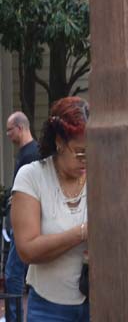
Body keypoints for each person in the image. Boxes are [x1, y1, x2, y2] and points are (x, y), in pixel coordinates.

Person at [11, 97, 89, 321]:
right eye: (80, 151)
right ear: (59, 142)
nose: (86, 159)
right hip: (48, 308)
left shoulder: (99, 175)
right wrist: (82, 232)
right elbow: (27, 249)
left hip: (97, 301)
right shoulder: (32, 177)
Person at [5, 112, 40, 322]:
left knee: (13, 274)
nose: (8, 135)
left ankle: (14, 318)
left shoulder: (31, 155)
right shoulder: (26, 153)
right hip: (21, 223)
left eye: (9, 130)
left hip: (23, 225)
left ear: (20, 128)